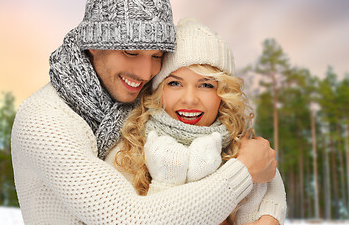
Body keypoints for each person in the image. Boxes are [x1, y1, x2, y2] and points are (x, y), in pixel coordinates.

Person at [10, 0, 277, 224]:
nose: (146, 72)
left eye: (157, 55)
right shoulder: (43, 121)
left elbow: (253, 154)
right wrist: (243, 172)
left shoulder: (135, 94)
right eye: (131, 52)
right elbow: (128, 218)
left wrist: (269, 212)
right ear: (93, 45)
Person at [105, 18, 286, 225]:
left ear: (224, 93)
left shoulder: (247, 151)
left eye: (206, 85)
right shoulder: (126, 154)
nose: (189, 99)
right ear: (156, 92)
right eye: (174, 83)